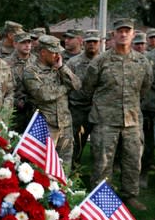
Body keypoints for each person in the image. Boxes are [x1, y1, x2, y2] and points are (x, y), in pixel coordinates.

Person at [82, 18, 153, 211]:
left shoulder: (142, 61)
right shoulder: (101, 60)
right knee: (103, 162)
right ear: (113, 35)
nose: (123, 34)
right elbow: (88, 87)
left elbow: (145, 88)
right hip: (105, 120)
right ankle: (101, 197)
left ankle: (129, 195)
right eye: (119, 31)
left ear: (132, 34)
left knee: (132, 160)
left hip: (132, 120)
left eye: (127, 31)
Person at [23, 35, 81, 170]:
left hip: (64, 125)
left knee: (63, 169)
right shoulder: (31, 71)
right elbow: (44, 95)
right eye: (54, 52)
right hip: (45, 127)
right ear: (43, 52)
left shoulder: (59, 68)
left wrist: (62, 68)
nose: (57, 55)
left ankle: (62, 191)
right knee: (43, 169)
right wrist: (65, 88)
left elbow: (77, 84)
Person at [66, 30, 101, 167]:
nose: (91, 44)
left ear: (100, 43)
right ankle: (74, 169)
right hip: (78, 109)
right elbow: (66, 84)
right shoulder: (73, 62)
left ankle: (100, 174)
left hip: (100, 109)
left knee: (101, 143)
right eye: (89, 42)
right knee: (76, 142)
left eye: (95, 41)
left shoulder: (105, 61)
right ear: (83, 43)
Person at [5, 31, 37, 133]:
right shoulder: (5, 63)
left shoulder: (37, 61)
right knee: (12, 141)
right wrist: (15, 101)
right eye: (23, 42)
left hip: (34, 108)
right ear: (15, 44)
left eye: (29, 42)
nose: (27, 45)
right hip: (14, 110)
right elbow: (2, 88)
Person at [140, 45, 155, 187]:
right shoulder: (149, 58)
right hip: (150, 108)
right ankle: (143, 172)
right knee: (149, 144)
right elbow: (146, 83)